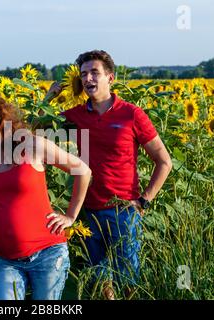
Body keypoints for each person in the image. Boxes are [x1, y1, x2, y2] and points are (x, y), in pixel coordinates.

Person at [47, 50, 172, 299]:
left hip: (124, 210)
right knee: (99, 278)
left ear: (110, 78)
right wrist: (50, 97)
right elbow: (37, 127)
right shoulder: (75, 116)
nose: (87, 78)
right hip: (89, 211)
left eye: (94, 72)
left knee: (127, 278)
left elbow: (164, 161)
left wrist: (145, 199)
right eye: (83, 74)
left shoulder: (131, 114)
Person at [0, 93, 91, 300]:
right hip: (5, 259)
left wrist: (71, 216)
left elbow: (83, 170)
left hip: (47, 253)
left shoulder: (32, 145)